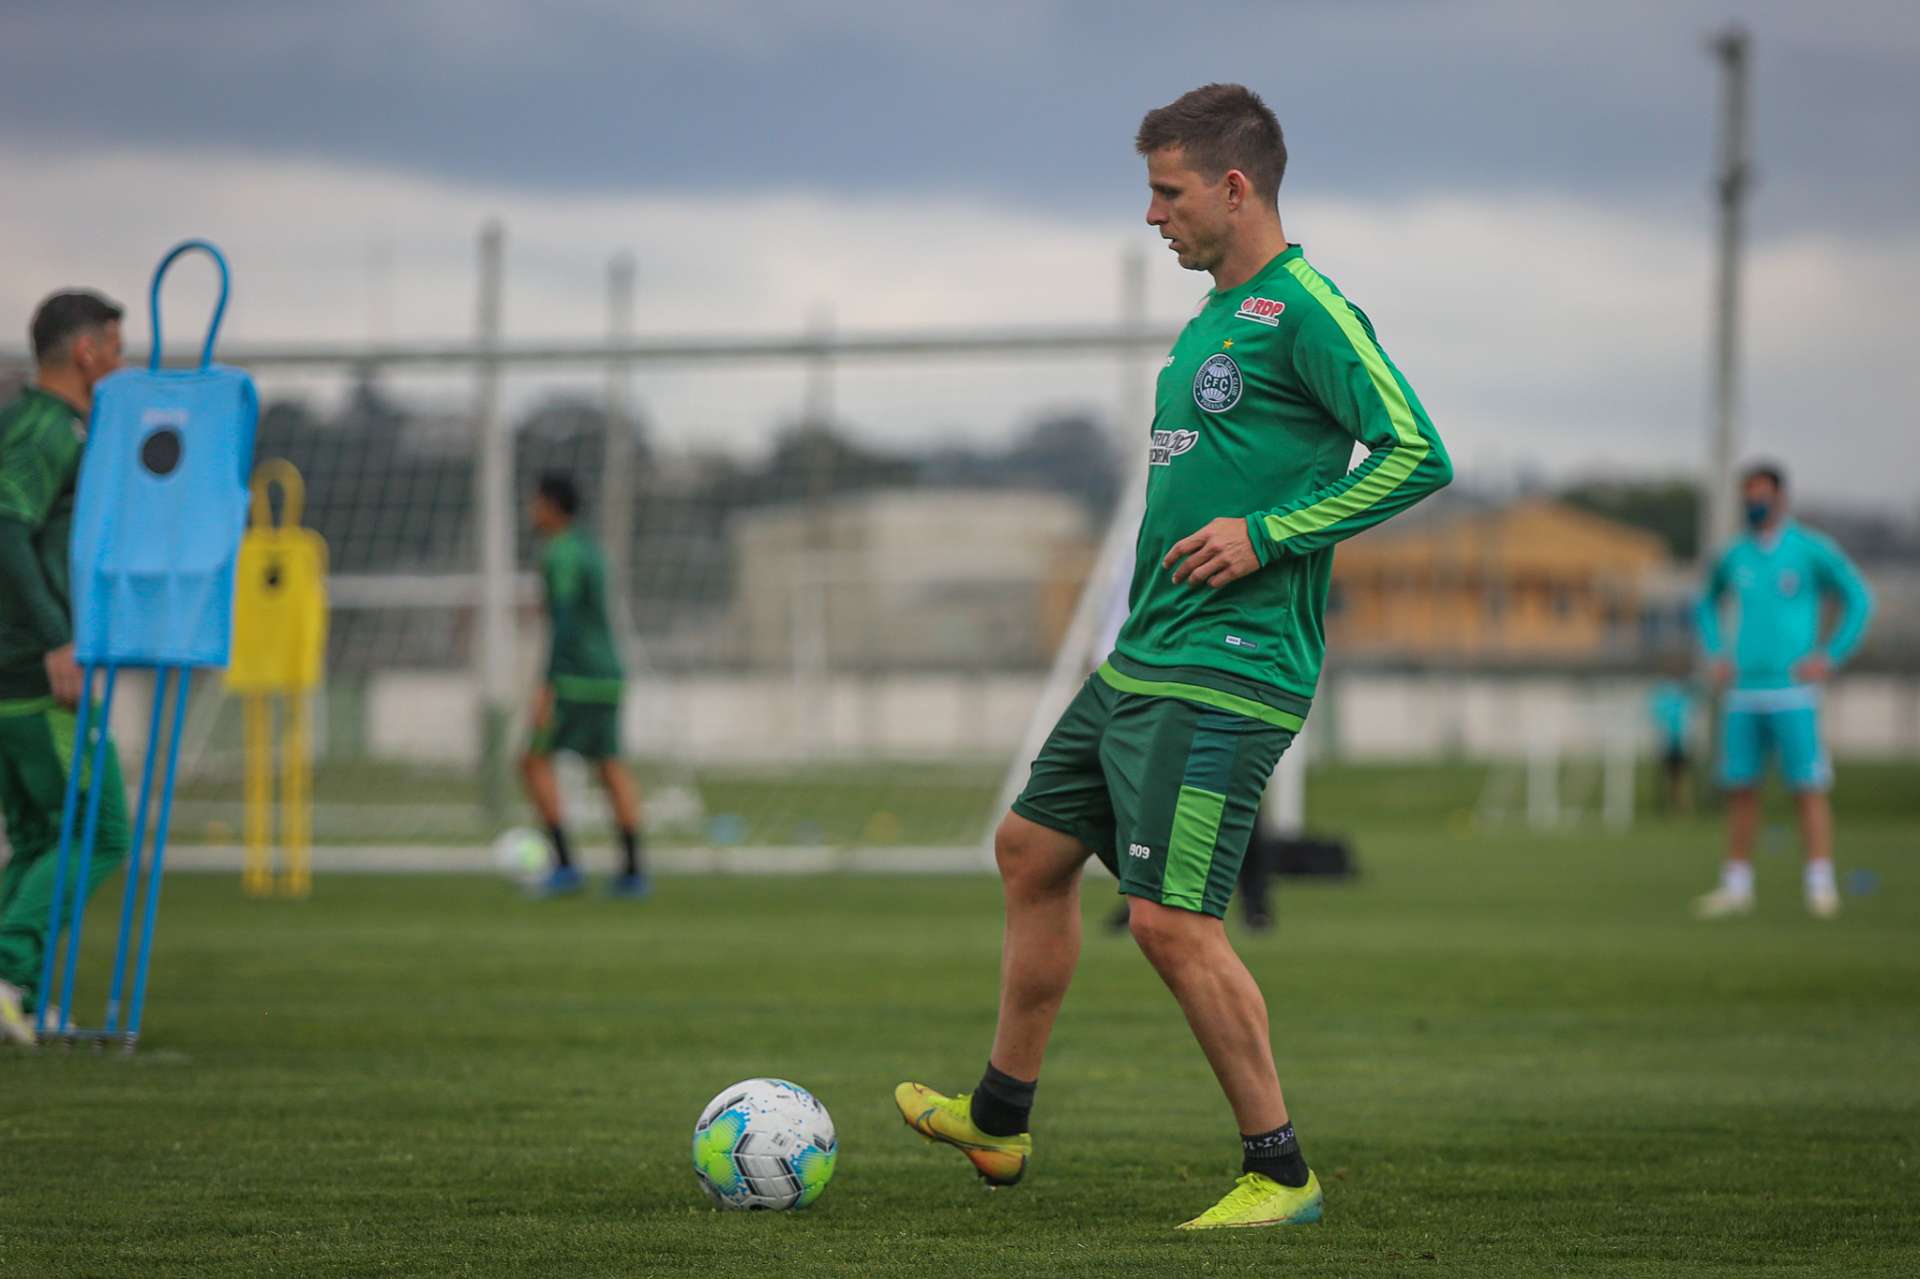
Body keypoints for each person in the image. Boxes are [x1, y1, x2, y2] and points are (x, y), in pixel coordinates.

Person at [895, 84, 1451, 1230]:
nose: (1152, 216)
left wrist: (1270, 532)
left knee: (1167, 920)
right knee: (1029, 852)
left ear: (1235, 187)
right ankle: (999, 1119)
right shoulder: (1210, 317)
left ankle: (1281, 1171)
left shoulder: (1309, 310)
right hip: (1144, 659)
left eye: (1168, 191)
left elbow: (1419, 453)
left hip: (1229, 672)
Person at [0, 291, 130, 1043]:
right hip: (33, 671)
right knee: (99, 829)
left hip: (16, 670)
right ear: (86, 352)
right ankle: (12, 969)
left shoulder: (50, 425)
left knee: (44, 835)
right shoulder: (47, 428)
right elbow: (8, 525)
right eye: (115, 345)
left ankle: (24, 996)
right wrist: (55, 635)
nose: (120, 361)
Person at [1693, 462, 1873, 920]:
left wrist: (1830, 655)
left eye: (1761, 494)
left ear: (1780, 498)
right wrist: (1716, 652)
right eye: (1747, 494)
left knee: (1807, 788)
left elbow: (1858, 598)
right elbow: (1705, 603)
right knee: (1741, 789)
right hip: (1743, 692)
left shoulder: (1809, 550)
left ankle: (1820, 884)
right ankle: (1736, 886)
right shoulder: (1734, 555)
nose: (1754, 502)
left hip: (1794, 692)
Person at [518, 472, 647, 898]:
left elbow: (566, 621)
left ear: (552, 507)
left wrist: (547, 685)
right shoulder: (593, 550)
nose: (531, 510)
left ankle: (566, 865)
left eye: (536, 502)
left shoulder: (559, 554)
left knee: (533, 761)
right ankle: (632, 872)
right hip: (608, 675)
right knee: (610, 764)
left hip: (573, 679)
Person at [1647, 669, 1696, 815]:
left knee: (1679, 776)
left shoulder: (1673, 696)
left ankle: (1680, 806)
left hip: (1679, 742)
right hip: (1671, 742)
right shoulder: (1675, 696)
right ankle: (1675, 806)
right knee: (1674, 776)